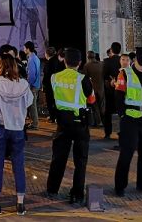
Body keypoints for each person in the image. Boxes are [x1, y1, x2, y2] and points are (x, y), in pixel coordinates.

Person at [0, 53, 33, 216]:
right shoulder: (23, 84)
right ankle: (20, 204)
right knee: (19, 165)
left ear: (0, 65)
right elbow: (29, 102)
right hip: (18, 129)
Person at [46, 47, 95, 204]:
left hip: (62, 123)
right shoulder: (83, 79)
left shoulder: (54, 77)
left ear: (65, 61)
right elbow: (92, 100)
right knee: (80, 161)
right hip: (80, 124)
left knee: (58, 158)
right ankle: (77, 194)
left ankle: (52, 189)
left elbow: (50, 97)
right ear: (79, 63)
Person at [113, 47, 142, 197]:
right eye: (141, 64)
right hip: (130, 119)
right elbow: (118, 96)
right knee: (126, 153)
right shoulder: (125, 73)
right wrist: (122, 115)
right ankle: (120, 186)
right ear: (135, 60)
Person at [102, 42, 122, 139]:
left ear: (111, 50)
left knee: (108, 112)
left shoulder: (107, 61)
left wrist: (111, 80)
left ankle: (108, 132)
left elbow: (104, 75)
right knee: (121, 111)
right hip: (121, 89)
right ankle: (121, 132)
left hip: (110, 89)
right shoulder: (123, 60)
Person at [82, 50, 103, 128]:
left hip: (92, 88)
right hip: (101, 88)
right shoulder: (101, 64)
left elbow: (85, 78)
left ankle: (98, 122)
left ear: (88, 57)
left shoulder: (87, 65)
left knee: (94, 106)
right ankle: (103, 121)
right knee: (102, 105)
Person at [24, 41, 41, 129]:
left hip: (33, 85)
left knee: (32, 105)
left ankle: (35, 124)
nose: (24, 49)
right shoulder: (36, 58)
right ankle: (34, 122)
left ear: (28, 49)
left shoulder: (31, 59)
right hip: (36, 84)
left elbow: (31, 75)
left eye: (24, 48)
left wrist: (29, 85)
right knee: (33, 104)